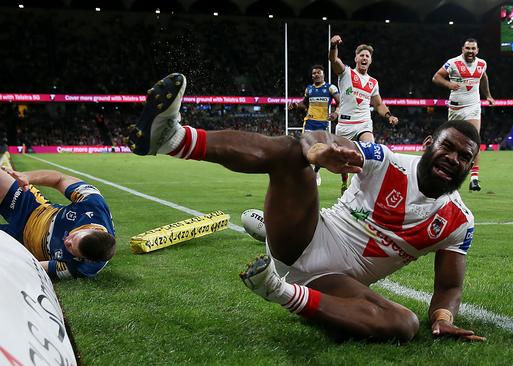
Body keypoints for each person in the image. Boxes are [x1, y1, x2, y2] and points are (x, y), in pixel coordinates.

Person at [128, 73, 484, 342]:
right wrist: (316, 149)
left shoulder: (459, 221)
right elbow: (322, 138)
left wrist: (443, 319)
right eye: (447, 147)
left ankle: (278, 290)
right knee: (290, 152)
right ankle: (174, 138)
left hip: (332, 284)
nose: (453, 159)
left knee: (405, 325)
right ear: (426, 144)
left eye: (464, 157)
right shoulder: (385, 161)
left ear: (471, 167)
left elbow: (449, 286)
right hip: (305, 238)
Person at [0, 168, 116, 279]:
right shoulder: (93, 203)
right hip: (33, 207)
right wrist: (27, 176)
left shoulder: (81, 268)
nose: (67, 241)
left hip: (22, 243)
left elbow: (34, 267)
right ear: (93, 229)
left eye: (71, 248)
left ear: (86, 259)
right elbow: (60, 179)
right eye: (74, 236)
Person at [329, 35, 399, 195]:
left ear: (370, 60)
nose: (364, 58)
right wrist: (333, 46)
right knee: (343, 161)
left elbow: (378, 104)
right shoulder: (346, 73)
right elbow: (334, 60)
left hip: (363, 123)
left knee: (371, 151)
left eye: (367, 56)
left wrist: (389, 116)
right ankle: (344, 182)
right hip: (345, 125)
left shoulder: (373, 82)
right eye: (362, 55)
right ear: (356, 58)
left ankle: (365, 189)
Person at [433, 38, 495, 191]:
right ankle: (446, 173)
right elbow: (436, 77)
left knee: (475, 140)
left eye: (473, 48)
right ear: (462, 49)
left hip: (474, 106)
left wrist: (488, 95)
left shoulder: (482, 64)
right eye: (468, 48)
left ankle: (474, 179)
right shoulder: (453, 63)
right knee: (452, 143)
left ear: (477, 50)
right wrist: (449, 84)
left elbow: (484, 78)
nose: (470, 51)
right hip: (456, 108)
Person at [289, 65, 341, 186]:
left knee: (320, 152)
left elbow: (340, 102)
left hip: (322, 124)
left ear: (323, 74)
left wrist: (336, 113)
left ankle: (316, 172)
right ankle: (304, 174)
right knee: (304, 149)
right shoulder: (309, 89)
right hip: (309, 122)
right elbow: (305, 104)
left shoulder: (330, 88)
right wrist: (296, 105)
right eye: (314, 73)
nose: (316, 75)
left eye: (318, 72)